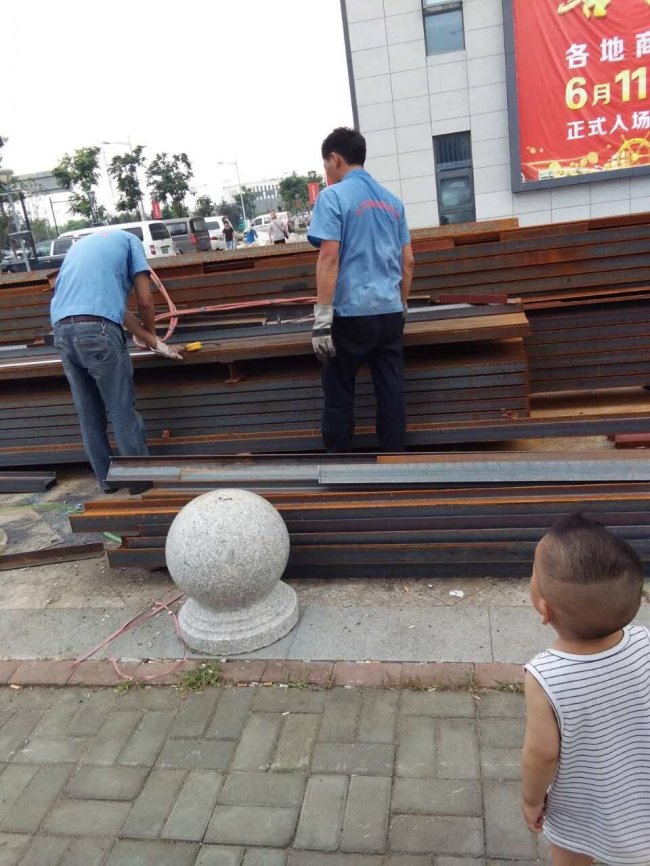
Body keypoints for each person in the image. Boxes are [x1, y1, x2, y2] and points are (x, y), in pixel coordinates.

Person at [522, 512, 650, 866]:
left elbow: (542, 754)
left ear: (545, 610)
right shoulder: (645, 641)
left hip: (582, 810)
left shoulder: (545, 676)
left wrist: (532, 799)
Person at [307, 126, 415, 452]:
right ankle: (394, 463)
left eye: (325, 164)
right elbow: (408, 262)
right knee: (391, 391)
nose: (326, 171)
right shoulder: (393, 203)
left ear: (335, 159)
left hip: (349, 316)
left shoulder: (333, 197)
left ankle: (341, 468)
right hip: (389, 313)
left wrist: (322, 319)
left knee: (339, 392)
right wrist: (401, 305)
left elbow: (329, 257)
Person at [50, 230, 182, 494]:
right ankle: (139, 480)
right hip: (98, 331)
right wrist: (153, 335)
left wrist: (152, 341)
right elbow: (145, 301)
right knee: (121, 409)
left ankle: (107, 481)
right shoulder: (132, 242)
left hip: (62, 330)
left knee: (89, 413)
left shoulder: (81, 248)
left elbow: (116, 311)